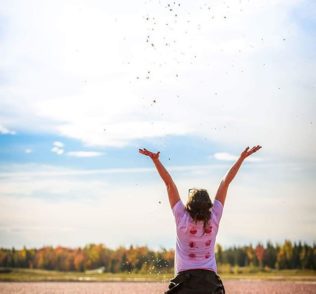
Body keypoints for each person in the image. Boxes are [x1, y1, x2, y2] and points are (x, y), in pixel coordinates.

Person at [139, 145, 262, 293]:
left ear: (189, 204)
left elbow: (169, 184)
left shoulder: (182, 217)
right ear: (209, 204)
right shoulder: (214, 216)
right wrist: (241, 158)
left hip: (184, 282)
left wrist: (156, 161)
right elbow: (225, 182)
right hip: (210, 283)